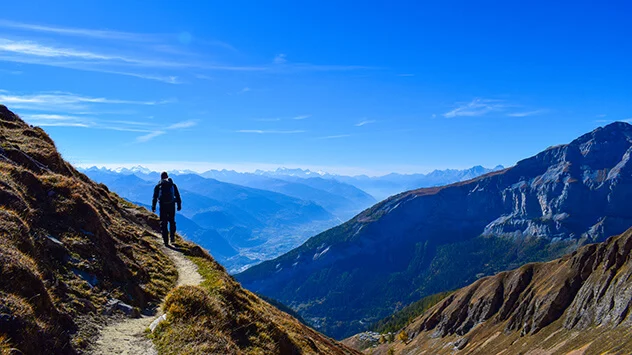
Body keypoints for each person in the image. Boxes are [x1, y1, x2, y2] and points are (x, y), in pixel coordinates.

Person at [152, 172, 182, 246]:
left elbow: (155, 197)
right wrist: (179, 205)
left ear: (161, 177)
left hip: (163, 206)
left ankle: (165, 240)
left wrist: (153, 207)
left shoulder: (158, 186)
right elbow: (178, 196)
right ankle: (172, 238)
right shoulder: (173, 185)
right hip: (172, 205)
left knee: (164, 223)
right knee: (172, 221)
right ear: (167, 177)